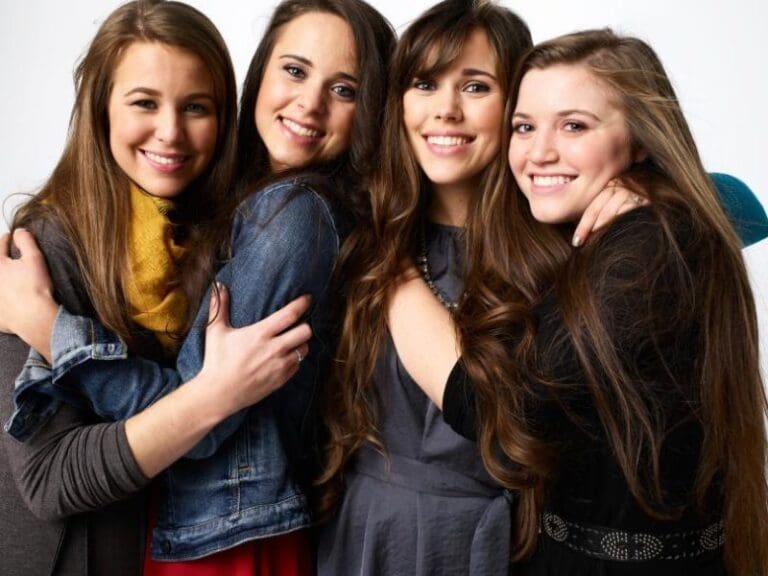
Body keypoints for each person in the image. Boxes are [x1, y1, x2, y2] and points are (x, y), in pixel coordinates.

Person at [0, 0, 394, 574]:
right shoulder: (48, 248)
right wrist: (210, 395)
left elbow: (201, 417)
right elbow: (50, 480)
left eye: (195, 107)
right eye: (144, 102)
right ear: (100, 108)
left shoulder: (279, 215)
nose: (171, 132)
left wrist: (51, 330)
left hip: (216, 538)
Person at [387, 29, 768, 575]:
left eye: (574, 126)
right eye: (524, 127)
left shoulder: (655, 239)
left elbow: (493, 407)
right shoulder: (595, 224)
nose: (540, 152)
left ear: (641, 139)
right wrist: (656, 187)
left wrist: (391, 269)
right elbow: (743, 207)